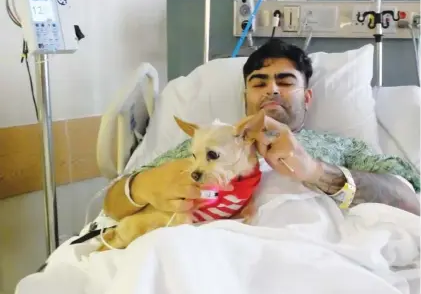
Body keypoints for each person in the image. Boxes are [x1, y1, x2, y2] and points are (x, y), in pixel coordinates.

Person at [109, 39, 420, 219]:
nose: (271, 89)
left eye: (285, 81)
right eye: (259, 82)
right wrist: (143, 186)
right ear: (246, 98)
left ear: (307, 97)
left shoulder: (340, 147)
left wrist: (316, 172)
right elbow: (112, 204)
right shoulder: (202, 145)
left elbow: (411, 200)